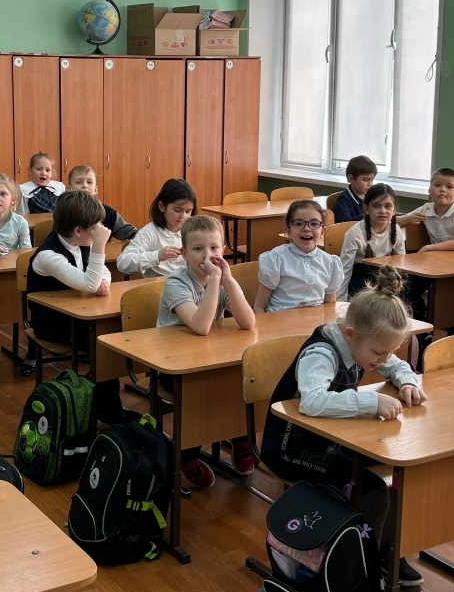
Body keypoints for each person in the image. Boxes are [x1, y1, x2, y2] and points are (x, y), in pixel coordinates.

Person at [259, 266, 426, 592]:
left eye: (389, 350)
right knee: (371, 489)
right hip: (291, 447)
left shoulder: (364, 341)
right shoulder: (322, 351)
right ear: (350, 334)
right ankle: (368, 581)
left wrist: (406, 379)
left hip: (328, 439)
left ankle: (383, 555)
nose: (383, 359)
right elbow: (313, 402)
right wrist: (369, 403)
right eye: (379, 352)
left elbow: (393, 363)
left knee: (389, 473)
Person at [157, 215, 256, 485]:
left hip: (210, 359)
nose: (207, 255)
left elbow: (248, 322)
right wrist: (215, 280)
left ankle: (240, 437)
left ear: (222, 249)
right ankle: (185, 455)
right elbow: (201, 326)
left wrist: (229, 282)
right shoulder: (176, 283)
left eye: (214, 248)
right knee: (205, 392)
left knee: (242, 382)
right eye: (198, 249)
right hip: (174, 366)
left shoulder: (222, 280)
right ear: (185, 253)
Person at [25, 190, 114, 381]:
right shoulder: (49, 256)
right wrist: (100, 245)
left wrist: (105, 280)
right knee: (105, 337)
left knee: (110, 331)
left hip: (77, 314)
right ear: (78, 231)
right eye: (96, 226)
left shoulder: (81, 240)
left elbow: (102, 269)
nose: (101, 230)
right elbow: (90, 284)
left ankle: (100, 386)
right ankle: (95, 385)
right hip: (52, 323)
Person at [255, 200, 342, 312]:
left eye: (314, 224)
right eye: (299, 224)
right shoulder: (276, 259)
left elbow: (330, 307)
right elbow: (259, 307)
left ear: (323, 231)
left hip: (315, 321)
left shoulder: (330, 263)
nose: (307, 229)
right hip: (281, 319)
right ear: (288, 230)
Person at [117, 179, 197, 279]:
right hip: (158, 287)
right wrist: (157, 256)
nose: (183, 216)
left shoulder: (193, 232)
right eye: (177, 210)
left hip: (187, 285)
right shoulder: (149, 232)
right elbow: (123, 263)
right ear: (162, 206)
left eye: (188, 211)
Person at [339, 183, 406, 300]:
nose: (383, 211)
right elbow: (345, 270)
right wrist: (340, 303)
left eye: (388, 206)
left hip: (388, 280)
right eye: (376, 206)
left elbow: (401, 266)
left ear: (394, 210)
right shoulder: (355, 234)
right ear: (366, 209)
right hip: (362, 281)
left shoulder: (396, 231)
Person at [396, 168, 454, 251]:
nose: (442, 190)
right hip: (436, 256)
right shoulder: (426, 208)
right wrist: (409, 218)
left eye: (449, 187)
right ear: (429, 190)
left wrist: (428, 248)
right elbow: (394, 222)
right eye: (437, 185)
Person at [66, 164, 138, 241]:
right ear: (69, 189)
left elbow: (133, 234)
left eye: (89, 182)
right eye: (78, 182)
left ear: (96, 190)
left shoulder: (108, 213)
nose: (85, 185)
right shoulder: (63, 212)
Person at [333, 155, 377, 224]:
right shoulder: (343, 200)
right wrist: (368, 216)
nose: (370, 184)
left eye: (372, 180)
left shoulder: (371, 196)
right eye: (366, 180)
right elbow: (344, 223)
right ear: (351, 179)